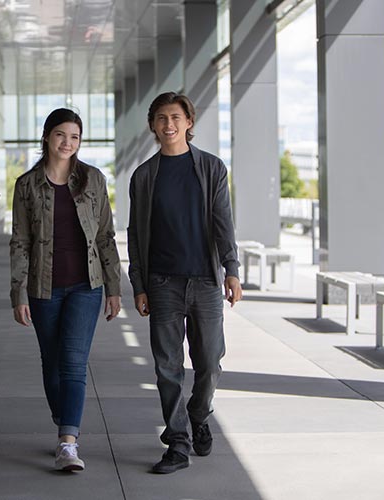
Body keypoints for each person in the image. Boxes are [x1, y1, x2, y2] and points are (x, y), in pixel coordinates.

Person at [127, 92, 242, 474]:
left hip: (206, 281)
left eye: (175, 117)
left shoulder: (210, 167)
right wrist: (139, 283)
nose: (168, 124)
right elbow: (135, 233)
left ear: (189, 122)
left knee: (209, 361)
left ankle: (199, 414)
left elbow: (223, 222)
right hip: (162, 283)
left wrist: (232, 268)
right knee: (167, 367)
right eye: (161, 118)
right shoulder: (144, 176)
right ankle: (177, 441)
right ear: (153, 125)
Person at [10, 108, 122, 472]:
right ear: (47, 137)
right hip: (44, 288)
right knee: (51, 362)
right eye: (61, 135)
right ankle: (64, 417)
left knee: (73, 362)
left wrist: (114, 286)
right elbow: (20, 242)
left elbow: (105, 235)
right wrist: (18, 293)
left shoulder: (93, 179)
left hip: (86, 287)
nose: (67, 143)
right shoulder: (27, 186)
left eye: (74, 137)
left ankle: (67, 442)